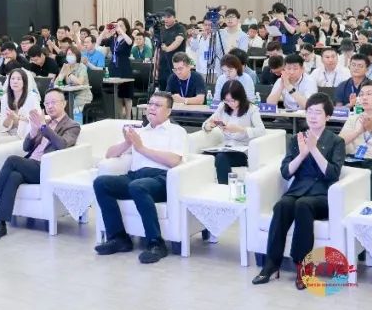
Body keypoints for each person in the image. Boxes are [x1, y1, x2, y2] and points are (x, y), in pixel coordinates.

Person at [252, 93, 345, 288]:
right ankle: (271, 264)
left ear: (328, 116)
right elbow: (286, 172)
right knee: (282, 205)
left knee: (303, 205)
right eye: (309, 112)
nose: (312, 116)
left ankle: (303, 266)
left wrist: (314, 150)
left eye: (318, 112)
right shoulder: (297, 139)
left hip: (322, 195)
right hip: (298, 190)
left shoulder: (336, 141)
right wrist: (302, 154)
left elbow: (332, 174)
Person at [0, 88, 81, 240]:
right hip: (31, 165)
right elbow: (26, 147)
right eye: (46, 103)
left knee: (12, 160)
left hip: (47, 169)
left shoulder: (72, 125)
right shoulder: (44, 122)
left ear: (64, 103)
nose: (50, 106)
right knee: (13, 176)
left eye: (53, 102)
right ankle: (0, 225)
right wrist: (33, 131)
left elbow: (62, 144)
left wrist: (43, 127)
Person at [93, 92, 187, 264]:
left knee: (138, 186)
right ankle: (119, 238)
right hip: (135, 176)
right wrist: (127, 143)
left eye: (158, 105)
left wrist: (142, 148)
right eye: (150, 104)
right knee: (101, 183)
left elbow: (174, 160)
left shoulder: (176, 131)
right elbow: (109, 154)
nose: (152, 108)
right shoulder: (140, 131)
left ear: (168, 111)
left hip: (161, 178)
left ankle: (156, 243)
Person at [202, 79, 265, 184]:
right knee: (203, 157)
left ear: (240, 97)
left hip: (242, 151)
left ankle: (225, 189)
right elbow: (205, 125)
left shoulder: (252, 109)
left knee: (221, 158)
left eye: (233, 100)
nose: (230, 104)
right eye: (227, 100)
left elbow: (261, 131)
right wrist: (210, 126)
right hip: (225, 147)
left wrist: (240, 129)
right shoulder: (222, 107)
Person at [100, 18, 136, 111]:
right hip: (113, 67)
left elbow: (129, 42)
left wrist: (121, 31)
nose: (118, 27)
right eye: (117, 25)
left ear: (126, 27)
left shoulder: (129, 37)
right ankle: (119, 115)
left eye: (121, 25)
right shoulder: (113, 38)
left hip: (124, 67)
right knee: (117, 95)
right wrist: (104, 31)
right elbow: (98, 43)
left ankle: (128, 116)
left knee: (127, 95)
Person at [55, 46, 92, 116]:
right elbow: (56, 83)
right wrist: (62, 73)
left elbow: (79, 82)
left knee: (69, 108)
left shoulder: (82, 67)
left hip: (83, 95)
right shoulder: (66, 66)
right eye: (68, 54)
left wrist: (69, 73)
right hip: (70, 95)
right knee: (59, 105)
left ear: (76, 56)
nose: (69, 56)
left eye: (71, 54)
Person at [157, 9, 187, 90]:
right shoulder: (161, 29)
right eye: (164, 17)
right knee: (163, 90)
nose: (166, 19)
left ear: (174, 17)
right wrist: (155, 67)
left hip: (177, 66)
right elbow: (158, 49)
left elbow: (178, 41)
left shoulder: (180, 28)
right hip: (163, 66)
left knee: (176, 89)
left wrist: (167, 49)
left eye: (168, 17)